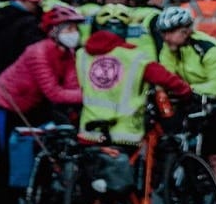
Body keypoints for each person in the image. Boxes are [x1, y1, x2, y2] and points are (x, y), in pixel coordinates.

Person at [0, 5, 85, 204]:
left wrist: (83, 96)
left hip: (28, 109)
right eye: (68, 28)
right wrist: (89, 96)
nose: (74, 33)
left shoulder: (68, 54)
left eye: (75, 28)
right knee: (7, 166)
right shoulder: (38, 52)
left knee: (40, 157)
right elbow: (54, 92)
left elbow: (72, 86)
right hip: (2, 107)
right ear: (53, 31)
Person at [155, 7, 216, 204]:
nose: (165, 37)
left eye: (170, 32)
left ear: (185, 31)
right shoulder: (169, 48)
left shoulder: (208, 48)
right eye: (163, 33)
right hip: (200, 96)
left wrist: (185, 89)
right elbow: (167, 77)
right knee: (215, 158)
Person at [77, 15, 193, 146]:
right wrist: (186, 91)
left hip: (88, 132)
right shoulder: (135, 57)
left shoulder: (82, 55)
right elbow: (167, 79)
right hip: (124, 135)